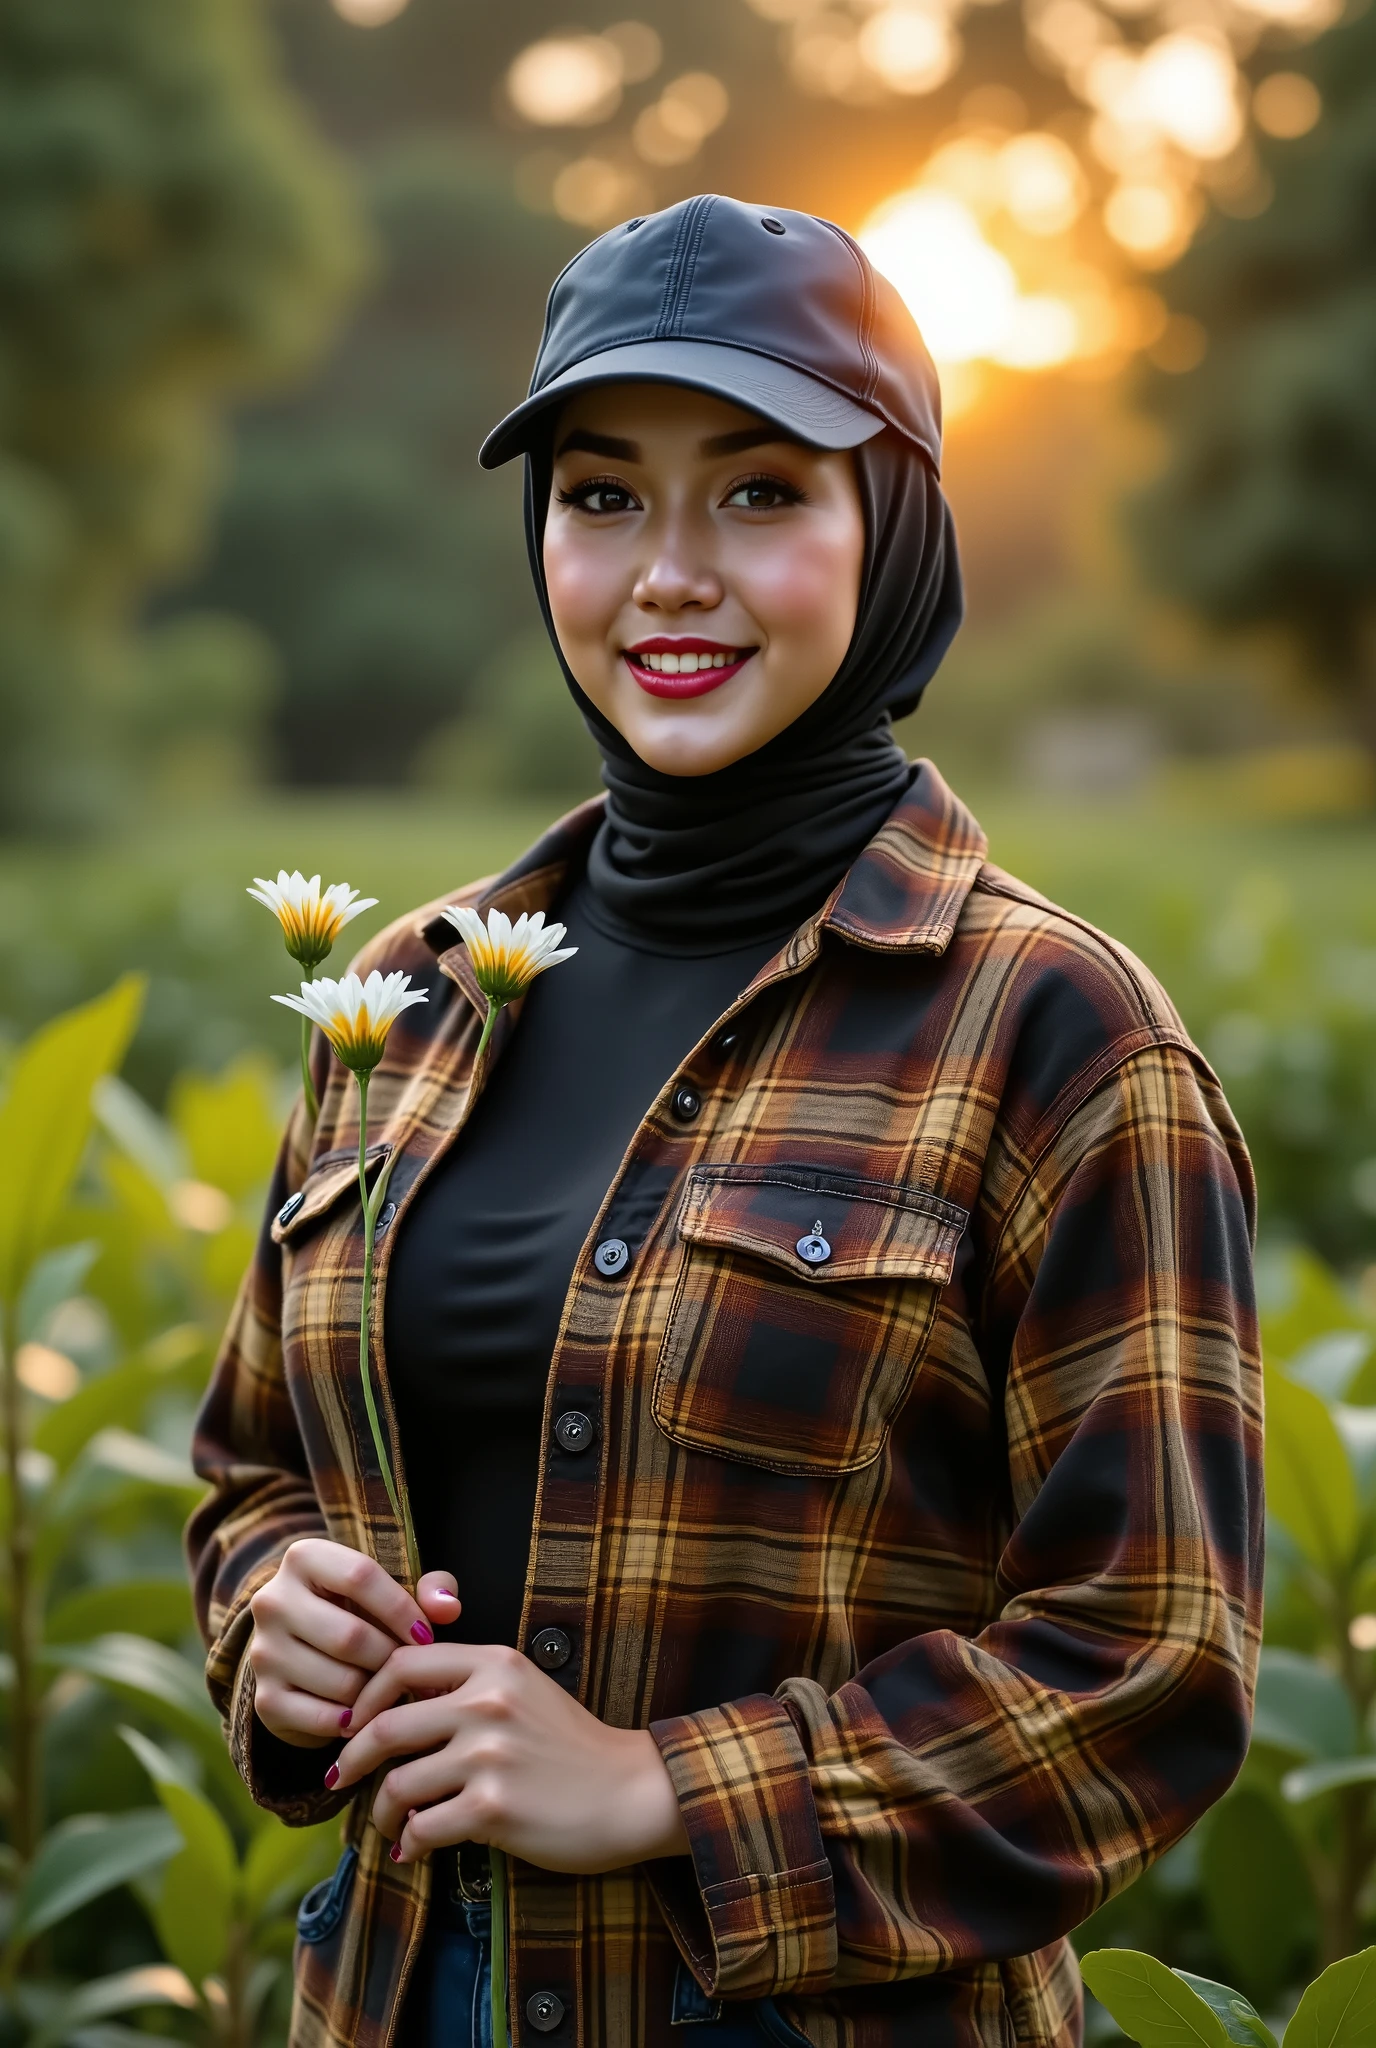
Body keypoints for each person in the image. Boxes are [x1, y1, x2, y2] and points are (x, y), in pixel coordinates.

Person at [188, 194, 1263, 2048]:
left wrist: (671, 1788)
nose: (668, 573)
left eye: (760, 493)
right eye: (603, 497)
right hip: (387, 1999)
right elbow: (257, 1468)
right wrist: (278, 1613)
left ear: (894, 533)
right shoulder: (410, 1000)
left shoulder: (1058, 1035)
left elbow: (1149, 1670)